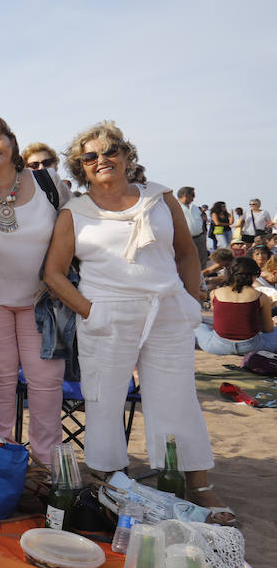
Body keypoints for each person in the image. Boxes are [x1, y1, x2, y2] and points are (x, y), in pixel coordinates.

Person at [42, 121, 233, 524]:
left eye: (110, 151)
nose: (101, 160)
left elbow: (186, 253)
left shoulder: (160, 198)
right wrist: (92, 310)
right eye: (90, 156)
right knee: (103, 401)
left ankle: (195, 482)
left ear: (127, 156)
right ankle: (113, 483)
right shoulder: (74, 212)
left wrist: (188, 297)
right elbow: (54, 272)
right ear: (81, 167)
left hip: (166, 309)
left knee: (176, 397)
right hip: (107, 312)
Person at [0, 114, 64, 464]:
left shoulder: (49, 182)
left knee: (46, 384)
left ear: (12, 141)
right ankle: (0, 459)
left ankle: (46, 465)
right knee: (0, 381)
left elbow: (75, 235)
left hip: (44, 302)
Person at [196, 258, 277, 354]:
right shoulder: (261, 297)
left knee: (198, 326)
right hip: (251, 347)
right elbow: (267, 329)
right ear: (254, 275)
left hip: (218, 346)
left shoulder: (215, 293)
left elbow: (220, 321)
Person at [176, 186, 208, 287]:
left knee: (202, 262)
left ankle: (201, 284)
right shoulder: (175, 206)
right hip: (184, 239)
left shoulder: (195, 208)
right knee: (186, 263)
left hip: (199, 237)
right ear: (186, 195)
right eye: (193, 195)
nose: (194, 198)